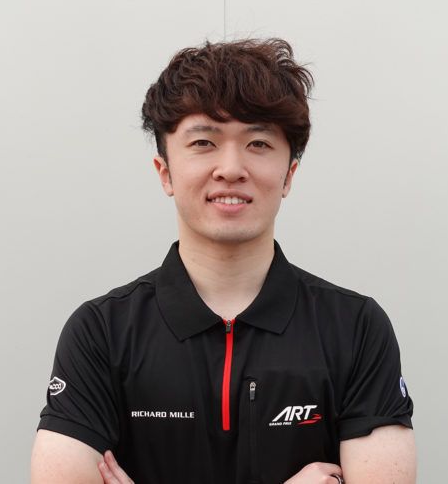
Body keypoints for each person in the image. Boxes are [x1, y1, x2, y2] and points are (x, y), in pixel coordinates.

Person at [30, 38, 416, 484]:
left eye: (258, 143)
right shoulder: (101, 332)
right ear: (165, 172)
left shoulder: (356, 328)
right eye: (203, 142)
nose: (231, 168)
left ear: (288, 175)